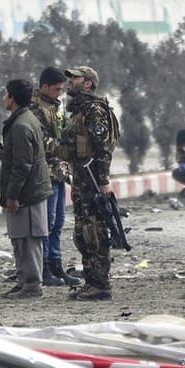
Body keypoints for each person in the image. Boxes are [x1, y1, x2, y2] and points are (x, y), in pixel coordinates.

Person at [61, 65, 118, 301]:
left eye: (75, 78)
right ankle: (91, 281)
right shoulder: (79, 109)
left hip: (93, 180)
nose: (70, 81)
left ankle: (101, 284)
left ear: (88, 83)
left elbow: (103, 148)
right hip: (81, 179)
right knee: (83, 233)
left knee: (94, 231)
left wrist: (103, 180)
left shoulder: (94, 110)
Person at [0, 78, 51, 298]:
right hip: (29, 190)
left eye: (5, 94)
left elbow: (23, 165)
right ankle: (23, 282)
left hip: (27, 193)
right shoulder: (24, 120)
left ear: (12, 97)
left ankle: (31, 285)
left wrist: (12, 195)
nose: (3, 98)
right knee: (20, 238)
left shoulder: (20, 125)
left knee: (28, 240)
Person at [34, 67, 78, 288]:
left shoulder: (55, 107)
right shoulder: (35, 109)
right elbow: (42, 141)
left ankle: (55, 263)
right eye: (56, 89)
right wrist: (67, 148)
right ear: (44, 87)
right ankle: (43, 267)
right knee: (48, 222)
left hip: (59, 172)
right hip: (46, 172)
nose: (60, 93)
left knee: (58, 221)